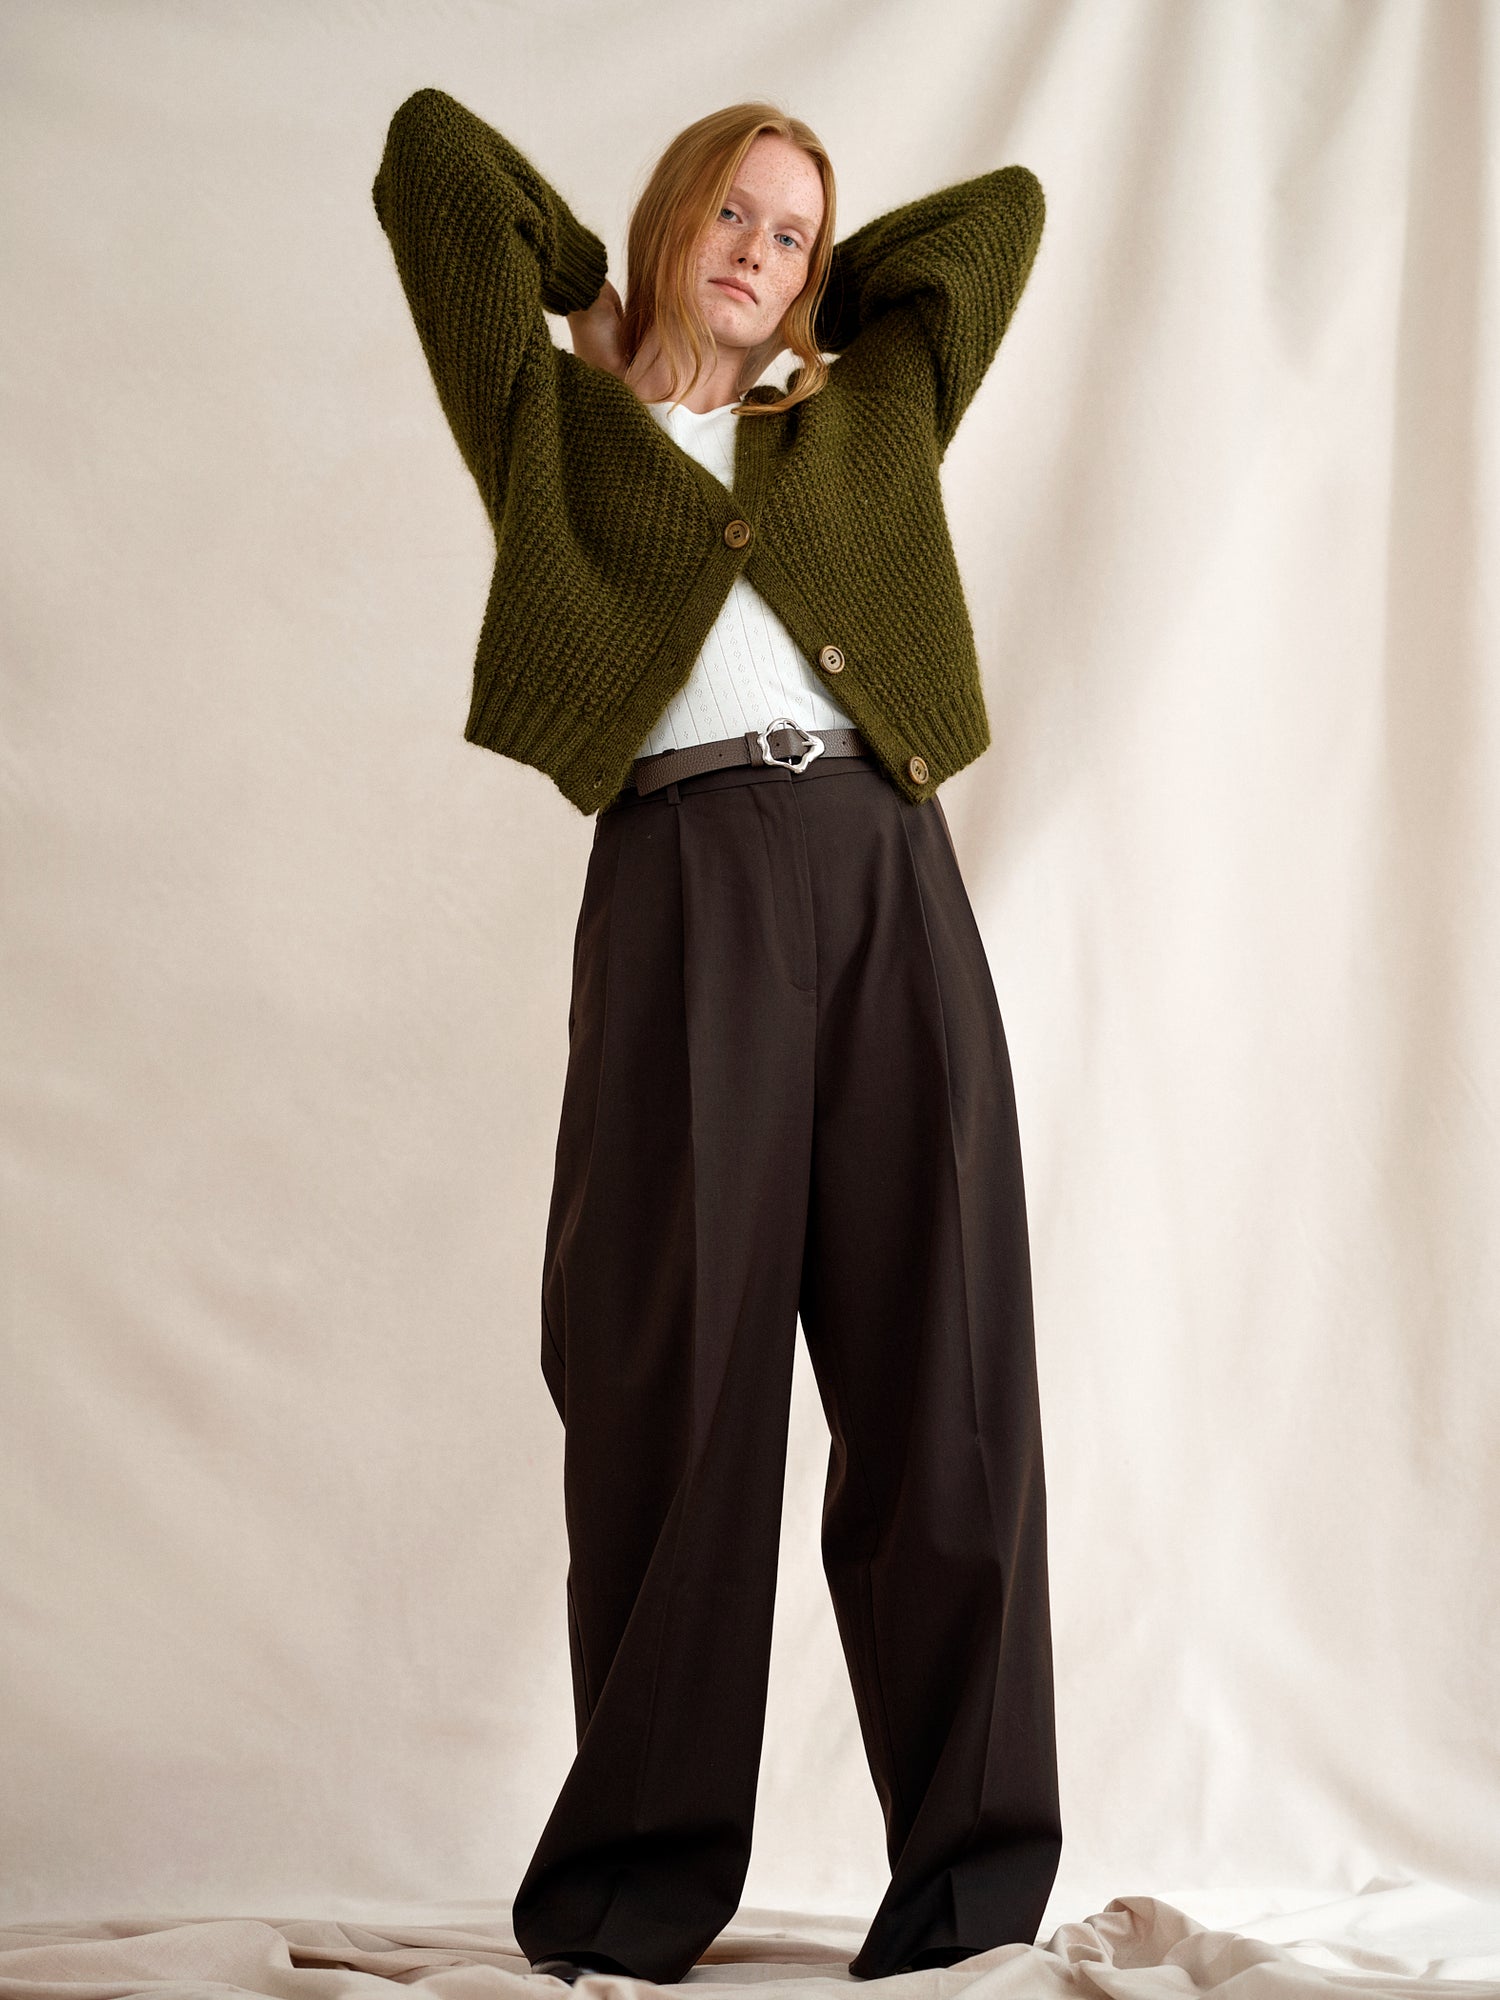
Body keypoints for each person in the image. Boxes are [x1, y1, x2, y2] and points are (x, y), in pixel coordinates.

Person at [371, 83, 1057, 1985]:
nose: (761, 250)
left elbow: (999, 217)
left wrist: (811, 312)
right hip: (682, 883)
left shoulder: (865, 409)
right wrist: (602, 307)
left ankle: (970, 1893)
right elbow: (434, 163)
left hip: (887, 872)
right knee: (671, 1386)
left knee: (948, 1381)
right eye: (734, 213)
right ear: (675, 213)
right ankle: (635, 1886)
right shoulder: (555, 423)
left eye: (794, 233)